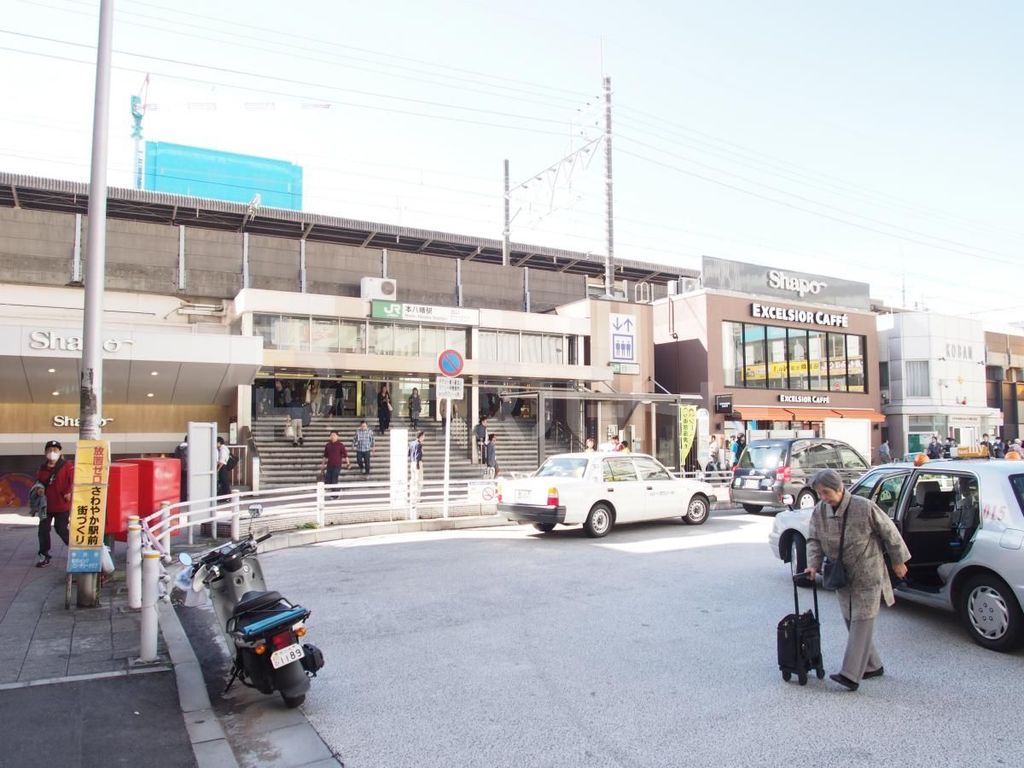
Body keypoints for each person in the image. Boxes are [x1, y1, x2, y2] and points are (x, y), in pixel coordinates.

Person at [804, 468, 911, 692]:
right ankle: (873, 665)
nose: (823, 497)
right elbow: (813, 540)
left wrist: (898, 561)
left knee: (862, 619)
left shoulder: (863, 506)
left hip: (867, 572)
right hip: (840, 574)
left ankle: (850, 674)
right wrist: (812, 565)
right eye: (820, 493)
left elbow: (890, 533)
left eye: (826, 492)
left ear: (840, 488)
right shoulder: (819, 511)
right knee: (850, 618)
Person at [32, 440, 74, 568]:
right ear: (45, 452)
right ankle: (44, 556)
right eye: (49, 450)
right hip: (45, 506)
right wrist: (38, 489)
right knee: (43, 530)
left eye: (55, 450)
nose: (52, 453)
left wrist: (69, 492)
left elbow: (74, 481)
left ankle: (75, 550)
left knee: (61, 529)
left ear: (60, 452)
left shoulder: (67, 466)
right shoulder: (42, 468)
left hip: (62, 505)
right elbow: (38, 483)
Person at [321, 431, 351, 498]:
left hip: (337, 465)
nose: (333, 437)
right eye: (331, 435)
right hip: (329, 465)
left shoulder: (340, 445)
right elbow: (325, 456)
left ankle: (335, 495)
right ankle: (337, 490)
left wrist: (348, 463)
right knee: (328, 479)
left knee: (334, 479)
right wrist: (322, 465)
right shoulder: (328, 445)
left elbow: (345, 455)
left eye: (334, 435)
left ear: (337, 436)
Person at [408, 431, 425, 504]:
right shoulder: (419, 444)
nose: (424, 437)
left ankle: (412, 497)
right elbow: (418, 455)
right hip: (417, 463)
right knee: (418, 481)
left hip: (412, 463)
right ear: (420, 436)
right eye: (424, 436)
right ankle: (417, 498)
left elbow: (408, 453)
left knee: (413, 481)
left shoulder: (411, 443)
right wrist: (417, 465)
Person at [173, 434, 189, 501]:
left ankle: (180, 497)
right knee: (186, 484)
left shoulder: (178, 447)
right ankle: (185, 498)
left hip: (179, 468)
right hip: (187, 468)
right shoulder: (189, 448)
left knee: (181, 483)